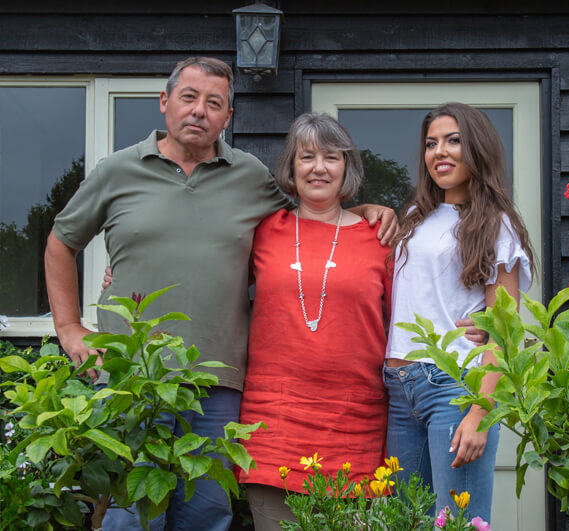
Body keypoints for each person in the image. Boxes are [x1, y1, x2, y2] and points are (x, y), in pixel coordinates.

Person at [44, 57, 397, 530]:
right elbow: (61, 243)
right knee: (129, 517)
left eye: (214, 103)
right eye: (189, 97)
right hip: (130, 379)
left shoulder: (249, 176)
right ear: (165, 102)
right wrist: (69, 329)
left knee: (207, 516)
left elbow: (310, 221)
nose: (199, 111)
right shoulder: (117, 170)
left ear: (228, 117)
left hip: (218, 386)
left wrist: (367, 210)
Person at [235, 113, 391, 530]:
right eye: (306, 156)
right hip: (275, 427)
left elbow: (410, 315)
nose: (319, 167)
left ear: (348, 168)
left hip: (354, 426)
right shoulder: (264, 231)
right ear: (291, 167)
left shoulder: (381, 239)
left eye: (331, 157)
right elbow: (211, 276)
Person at [384, 102, 534, 523]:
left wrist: (481, 413)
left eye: (453, 140)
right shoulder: (417, 215)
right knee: (402, 520)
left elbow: (505, 331)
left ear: (478, 148)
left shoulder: (494, 223)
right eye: (431, 143)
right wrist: (364, 210)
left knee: (457, 522)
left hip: (453, 387)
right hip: (400, 387)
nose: (439, 152)